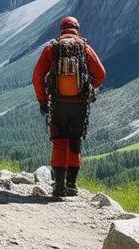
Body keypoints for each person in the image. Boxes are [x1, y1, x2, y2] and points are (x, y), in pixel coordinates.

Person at [32, 16, 106, 197]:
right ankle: (71, 185)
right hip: (79, 105)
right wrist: (89, 88)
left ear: (62, 29)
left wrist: (43, 101)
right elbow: (101, 74)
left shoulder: (52, 48)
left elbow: (37, 77)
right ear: (77, 29)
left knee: (59, 141)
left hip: (57, 104)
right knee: (74, 141)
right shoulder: (84, 48)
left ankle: (58, 185)